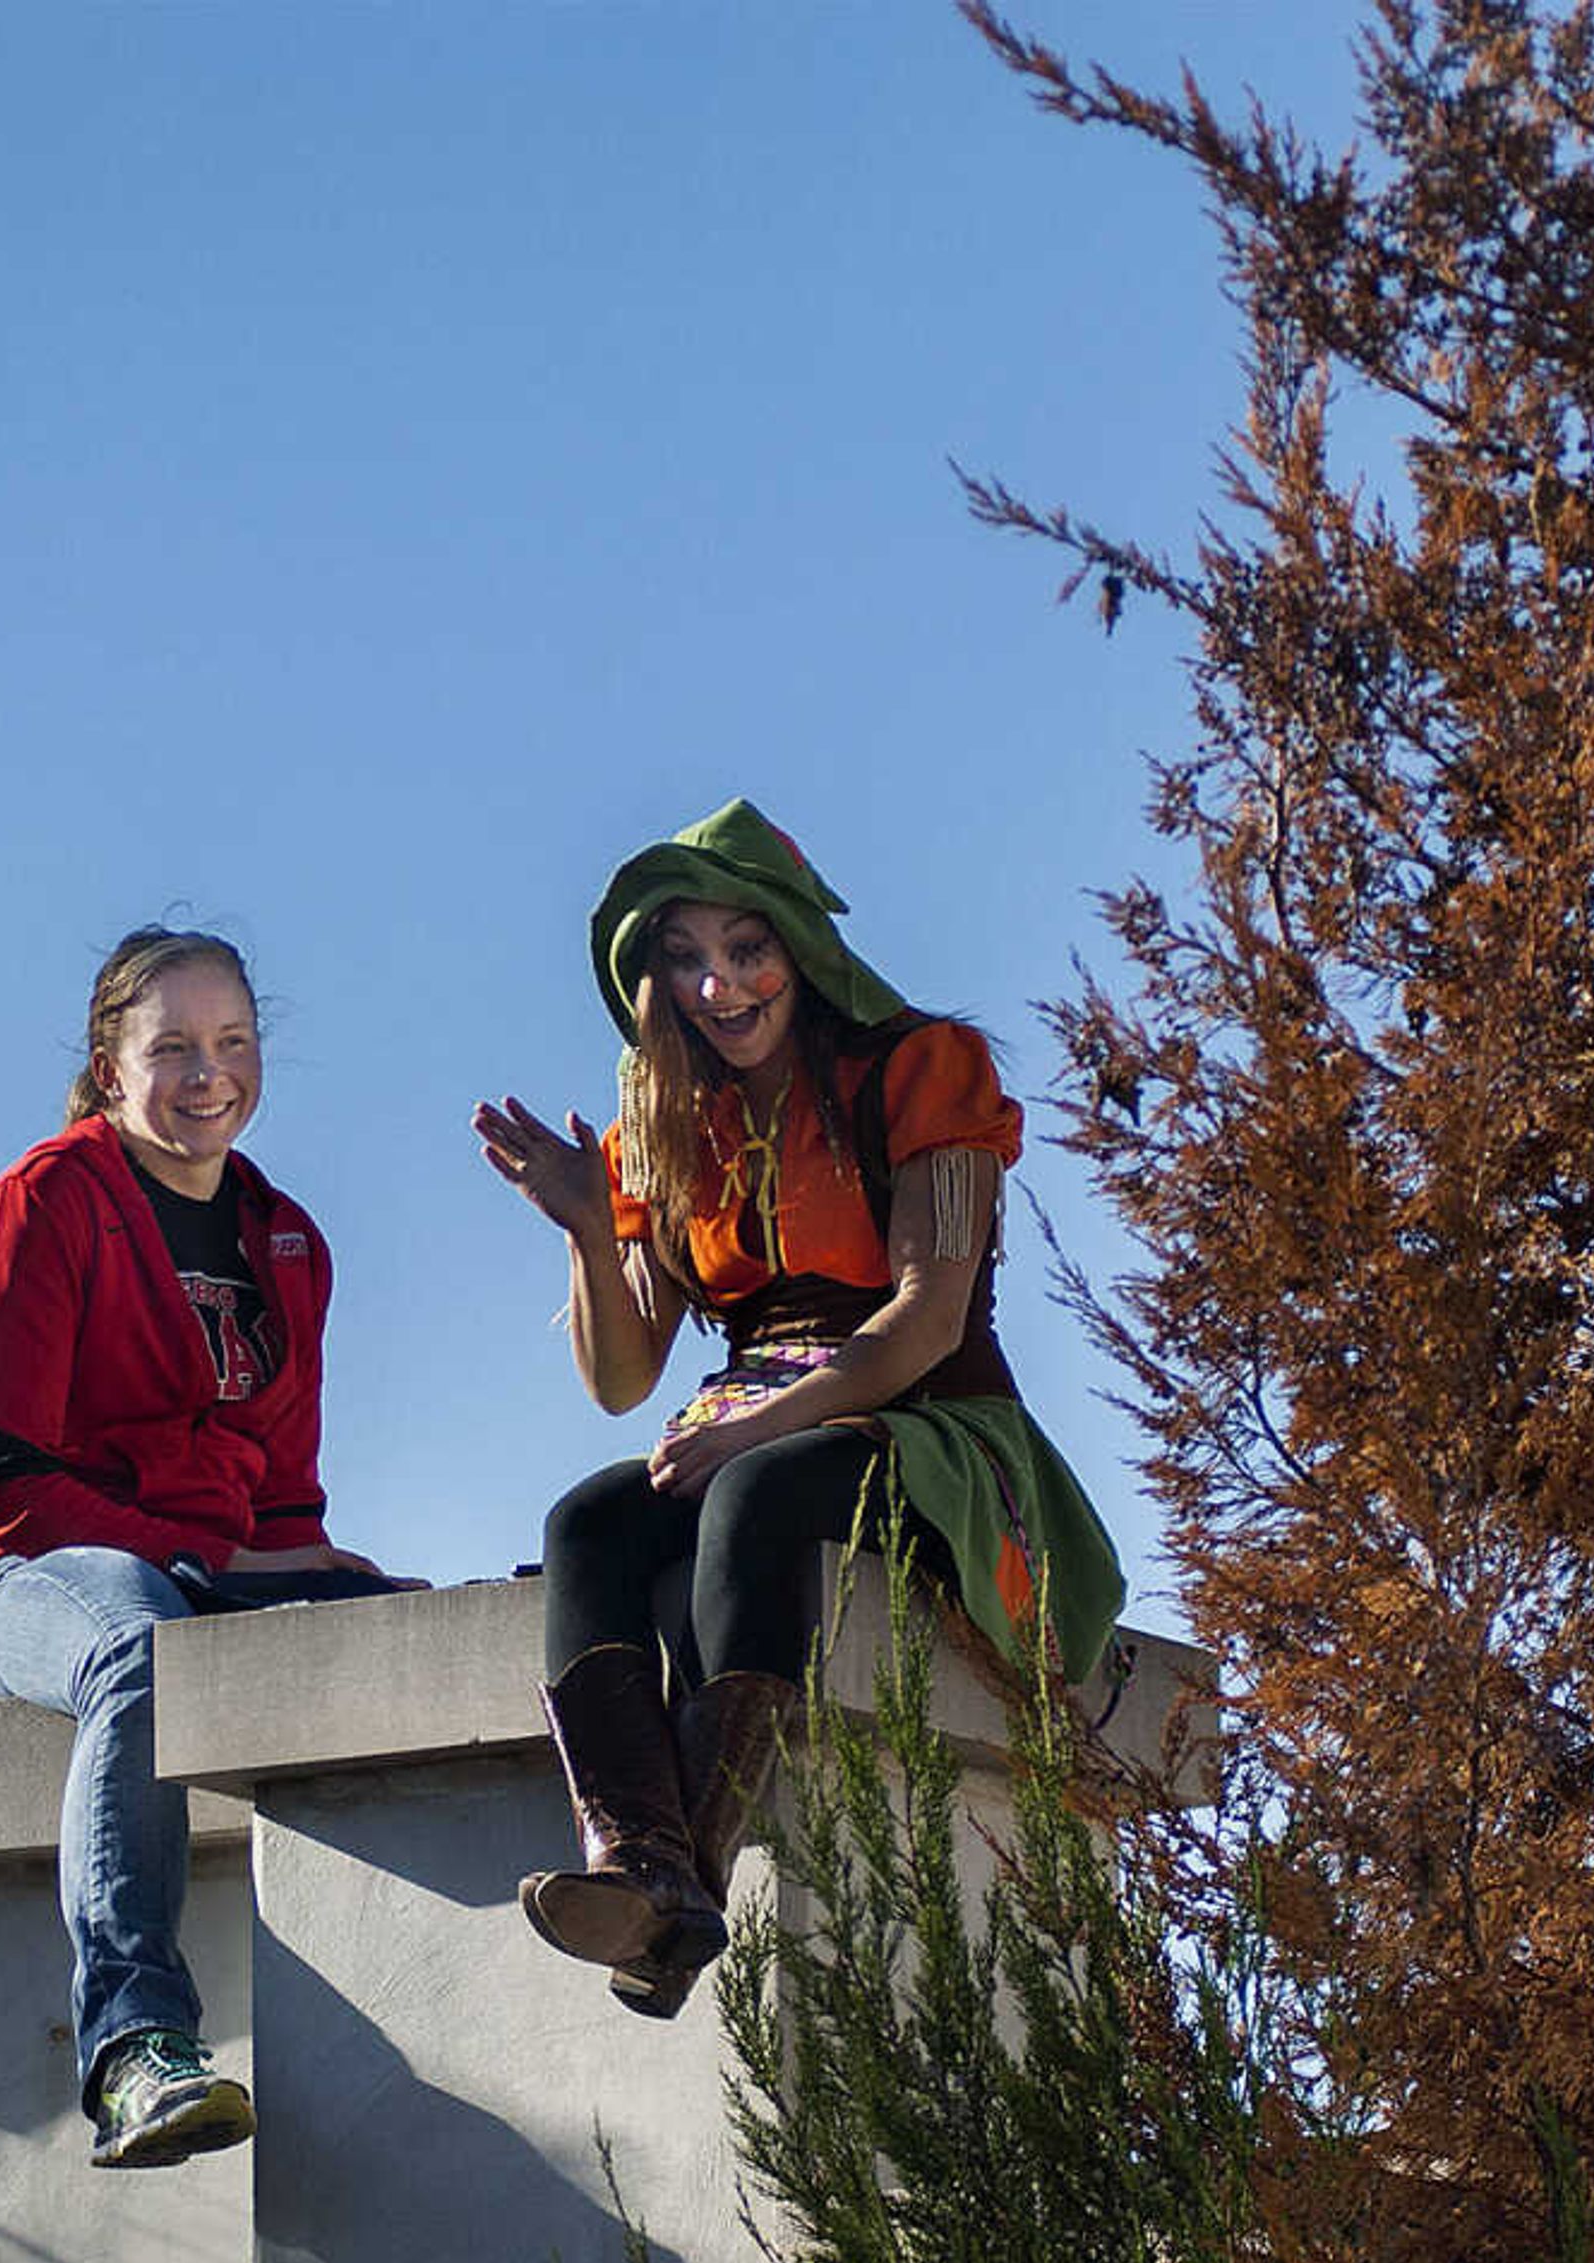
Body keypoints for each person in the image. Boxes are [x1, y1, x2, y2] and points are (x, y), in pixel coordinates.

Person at [470, 797, 1122, 2018]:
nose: (720, 983)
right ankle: (642, 1864)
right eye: (685, 956)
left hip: (930, 1423)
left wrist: (758, 1428)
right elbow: (623, 1376)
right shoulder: (666, 1118)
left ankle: (678, 1900)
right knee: (587, 1525)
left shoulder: (923, 1066)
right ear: (652, 977)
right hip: (746, 1414)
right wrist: (581, 1227)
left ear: (799, 948)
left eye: (746, 947)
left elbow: (927, 1317)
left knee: (756, 1496)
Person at [0, 925, 410, 2167]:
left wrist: (310, 1574)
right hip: (19, 1577)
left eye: (234, 1042)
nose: (211, 1075)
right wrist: (215, 1571)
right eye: (175, 1048)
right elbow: (7, 1479)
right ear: (108, 1066)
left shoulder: (288, 1240)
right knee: (142, 1641)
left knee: (413, 1625)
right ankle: (137, 2043)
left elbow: (286, 1493)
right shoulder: (40, 1205)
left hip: (211, 1572)